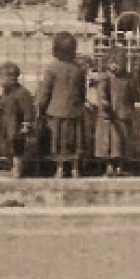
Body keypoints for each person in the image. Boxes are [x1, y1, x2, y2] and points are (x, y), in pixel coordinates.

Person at [36, 31, 88, 179]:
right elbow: (82, 90)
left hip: (56, 111)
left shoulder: (52, 68)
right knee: (74, 141)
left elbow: (45, 91)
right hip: (75, 110)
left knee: (58, 141)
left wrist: (41, 107)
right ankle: (75, 169)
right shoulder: (78, 69)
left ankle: (59, 169)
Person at [90, 49, 134, 177]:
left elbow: (131, 95)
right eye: (111, 63)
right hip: (109, 116)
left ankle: (120, 167)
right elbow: (102, 92)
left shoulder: (127, 78)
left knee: (120, 143)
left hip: (122, 114)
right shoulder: (105, 78)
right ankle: (109, 166)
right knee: (108, 142)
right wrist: (104, 102)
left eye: (117, 63)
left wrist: (131, 109)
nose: (114, 66)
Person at [0, 62, 38, 177]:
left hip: (17, 127)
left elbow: (28, 109)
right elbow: (2, 107)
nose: (0, 81)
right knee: (6, 148)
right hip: (6, 126)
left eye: (2, 78)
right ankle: (13, 166)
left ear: (12, 78)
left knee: (18, 149)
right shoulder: (6, 93)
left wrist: (26, 124)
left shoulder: (22, 93)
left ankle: (18, 168)